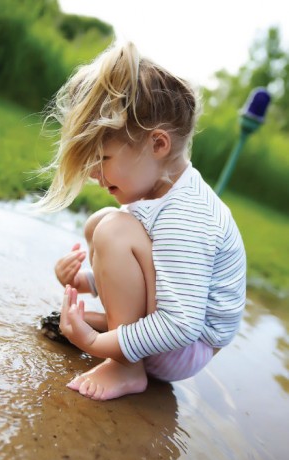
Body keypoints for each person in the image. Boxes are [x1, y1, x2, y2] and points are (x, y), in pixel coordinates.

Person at [43, 41, 245, 401]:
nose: (93, 174)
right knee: (101, 222)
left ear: (158, 144)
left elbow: (181, 325)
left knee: (113, 229)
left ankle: (125, 365)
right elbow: (157, 268)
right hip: (176, 332)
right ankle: (114, 332)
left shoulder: (187, 215)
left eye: (102, 158)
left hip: (184, 346)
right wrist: (85, 280)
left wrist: (95, 344)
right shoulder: (160, 189)